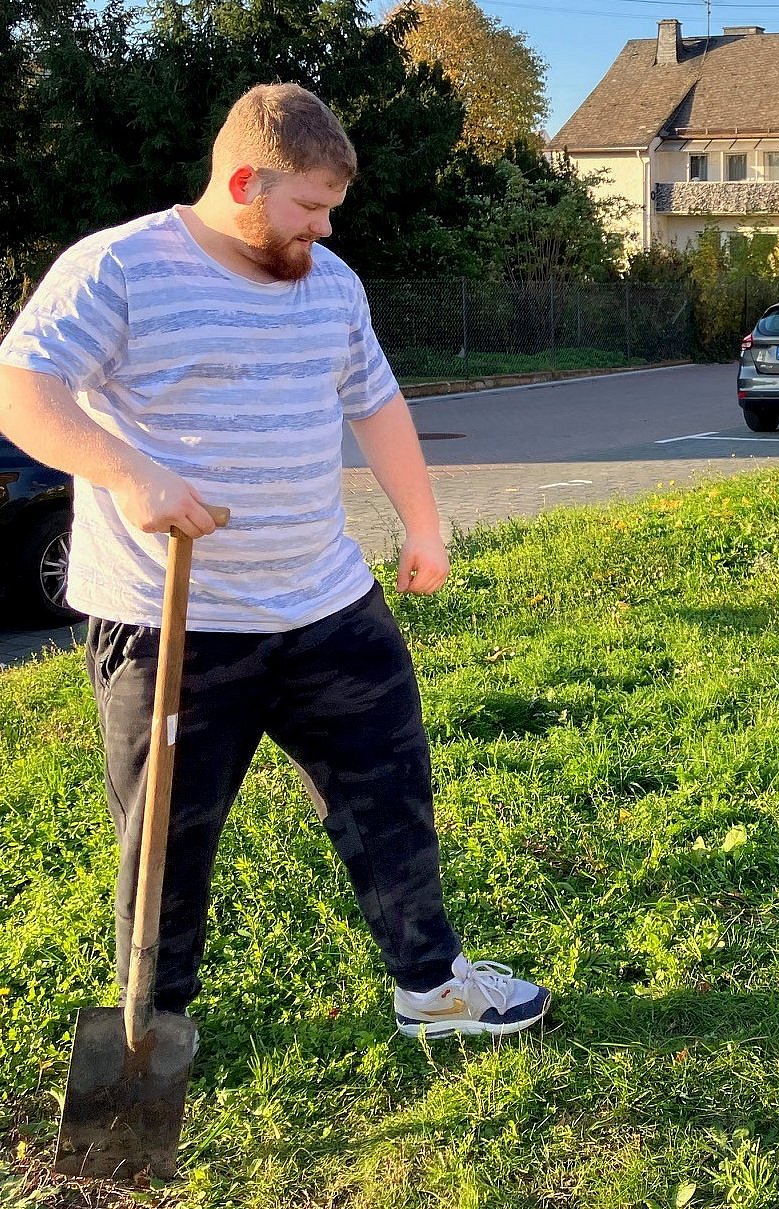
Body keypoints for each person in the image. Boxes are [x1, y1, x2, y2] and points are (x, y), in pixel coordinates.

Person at [0, 83, 549, 1040]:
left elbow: (373, 403)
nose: (325, 230)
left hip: (327, 604)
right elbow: (22, 390)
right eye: (309, 207)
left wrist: (424, 525)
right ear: (245, 180)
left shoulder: (330, 286)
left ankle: (432, 986)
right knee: (167, 836)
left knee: (389, 792)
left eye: (332, 209)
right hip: (173, 620)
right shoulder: (119, 268)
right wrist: (130, 474)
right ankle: (154, 1027)